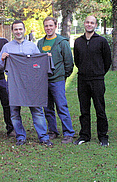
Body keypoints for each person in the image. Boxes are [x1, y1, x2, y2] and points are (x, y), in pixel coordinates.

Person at [0, 20, 53, 146]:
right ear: (12, 31)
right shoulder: (7, 47)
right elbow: (0, 66)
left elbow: (39, 63)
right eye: (15, 29)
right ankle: (20, 136)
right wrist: (2, 58)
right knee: (14, 112)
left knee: (37, 109)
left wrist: (46, 58)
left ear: (24, 30)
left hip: (31, 84)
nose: (18, 32)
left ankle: (43, 137)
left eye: (20, 29)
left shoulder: (32, 46)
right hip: (14, 84)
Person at [73, 15, 112, 146]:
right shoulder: (78, 41)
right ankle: (84, 135)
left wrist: (99, 72)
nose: (89, 24)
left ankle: (103, 136)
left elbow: (107, 61)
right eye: (87, 22)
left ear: (95, 25)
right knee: (84, 110)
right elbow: (77, 60)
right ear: (84, 24)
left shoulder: (101, 41)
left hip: (97, 80)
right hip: (82, 79)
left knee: (100, 109)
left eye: (92, 23)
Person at [37, 16, 75, 144]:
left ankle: (68, 133)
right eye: (46, 26)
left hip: (57, 80)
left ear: (55, 25)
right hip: (44, 81)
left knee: (61, 106)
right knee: (47, 108)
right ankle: (53, 131)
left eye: (50, 25)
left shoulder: (62, 42)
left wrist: (63, 76)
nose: (48, 28)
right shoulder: (40, 43)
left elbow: (69, 62)